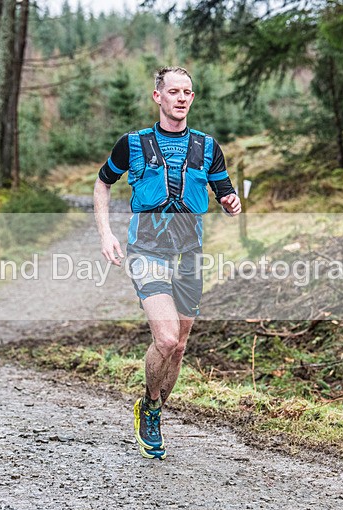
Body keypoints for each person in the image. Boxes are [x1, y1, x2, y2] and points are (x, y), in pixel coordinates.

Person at [94, 66, 242, 460]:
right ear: (157, 96)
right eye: (174, 91)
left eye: (187, 92)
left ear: (192, 98)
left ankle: (153, 407)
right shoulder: (133, 143)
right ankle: (150, 408)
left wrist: (231, 203)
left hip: (189, 255)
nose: (181, 98)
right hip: (147, 252)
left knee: (179, 347)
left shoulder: (207, 147)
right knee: (166, 339)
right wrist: (106, 233)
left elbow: (225, 192)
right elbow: (103, 182)